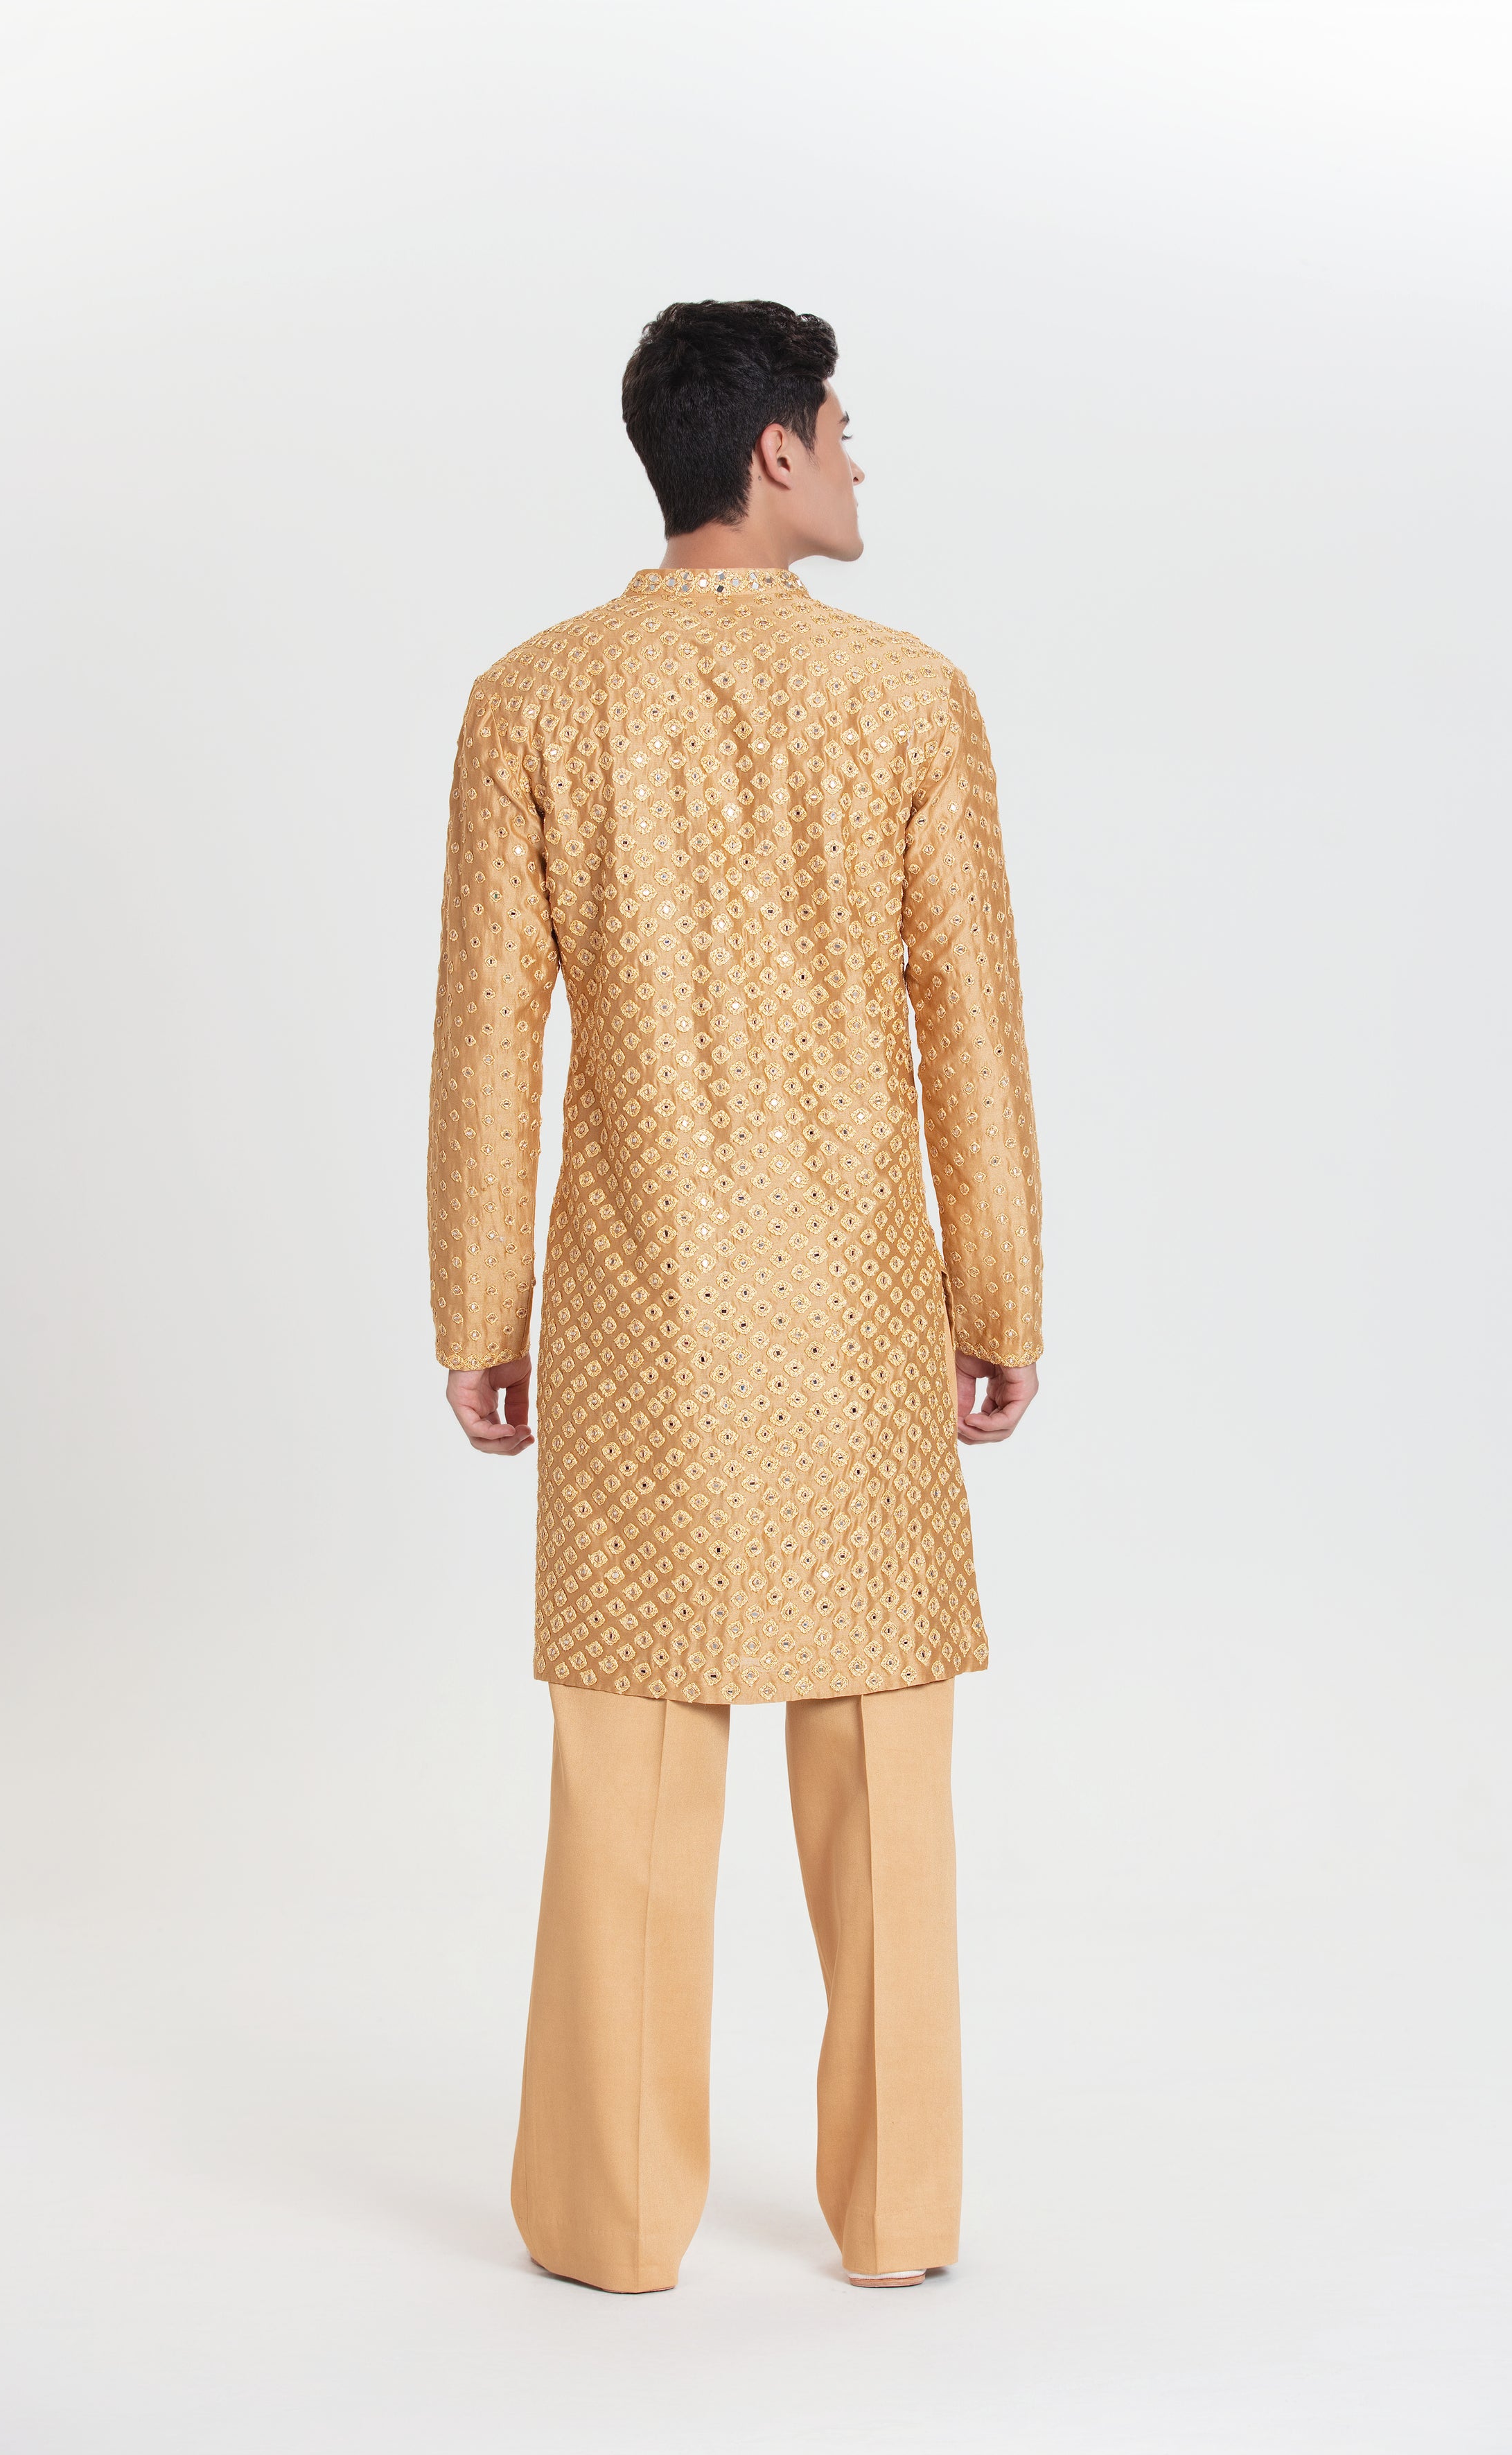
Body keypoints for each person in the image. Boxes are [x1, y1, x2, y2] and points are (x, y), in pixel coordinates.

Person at [428, 299, 1041, 2294]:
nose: (860, 462)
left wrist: (481, 1310)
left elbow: (489, 1038)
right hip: (860, 1306)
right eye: (843, 431)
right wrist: (1000, 1287)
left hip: (640, 1303)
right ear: (772, 454)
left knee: (631, 1769)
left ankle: (609, 2222)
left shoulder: (533, 700)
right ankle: (902, 2217)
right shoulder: (911, 700)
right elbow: (972, 1028)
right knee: (885, 1786)